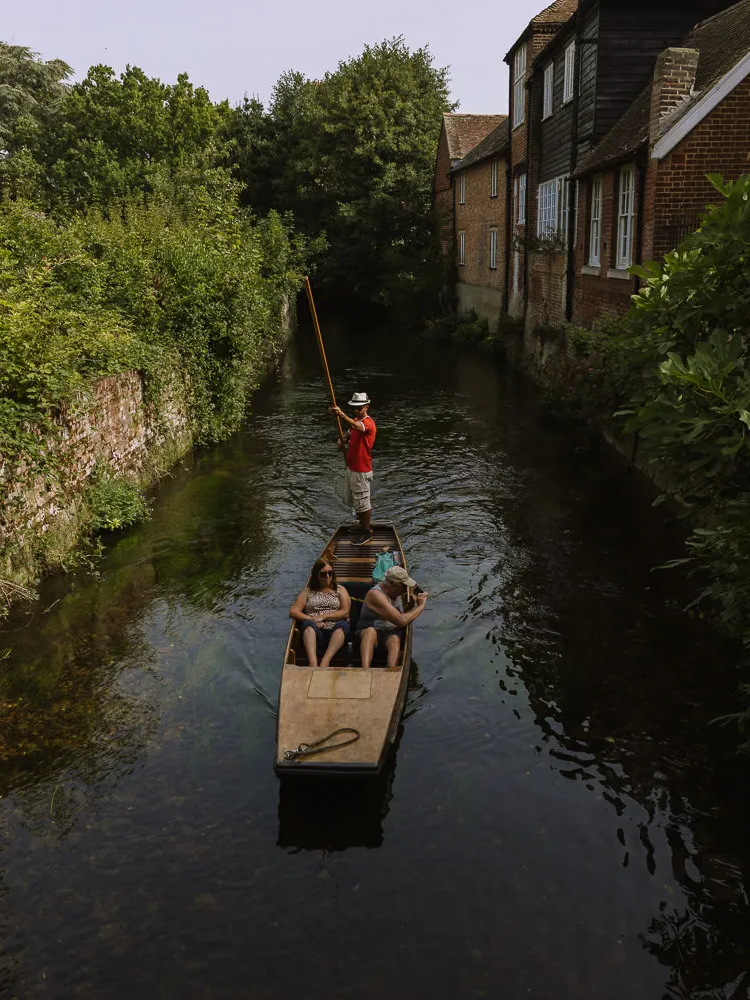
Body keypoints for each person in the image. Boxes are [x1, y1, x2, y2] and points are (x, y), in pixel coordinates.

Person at [356, 565, 428, 669]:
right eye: (404, 586)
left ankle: (392, 670)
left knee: (394, 638)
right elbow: (402, 621)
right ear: (394, 585)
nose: (405, 589)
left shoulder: (395, 592)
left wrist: (411, 606)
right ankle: (365, 669)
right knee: (370, 632)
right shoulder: (376, 595)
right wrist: (420, 606)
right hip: (368, 632)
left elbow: (400, 616)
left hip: (389, 633)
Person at [330, 391, 376, 545]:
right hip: (351, 467)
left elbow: (357, 426)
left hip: (362, 469)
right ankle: (361, 525)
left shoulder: (368, 423)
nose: (356, 410)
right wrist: (341, 441)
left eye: (359, 408)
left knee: (363, 502)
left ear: (366, 407)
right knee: (354, 500)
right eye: (354, 408)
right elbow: (348, 434)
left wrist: (341, 414)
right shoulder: (355, 421)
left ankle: (366, 531)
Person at [289, 557, 351, 668]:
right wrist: (312, 619)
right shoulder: (308, 592)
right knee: (308, 626)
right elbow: (293, 611)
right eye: (323, 574)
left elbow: (345, 612)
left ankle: (325, 662)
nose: (327, 576)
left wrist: (322, 617)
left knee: (342, 625)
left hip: (335, 632)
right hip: (315, 631)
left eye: (330, 573)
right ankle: (313, 663)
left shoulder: (340, 590)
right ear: (316, 575)